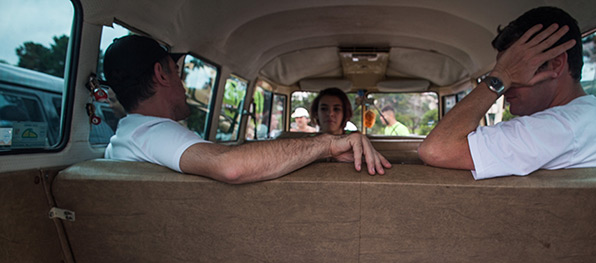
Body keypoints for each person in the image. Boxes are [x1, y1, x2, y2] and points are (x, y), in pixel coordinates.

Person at [103, 36, 390, 184]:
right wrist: (328, 144)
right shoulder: (153, 134)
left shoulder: (128, 136)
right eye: (177, 72)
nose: (183, 83)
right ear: (161, 75)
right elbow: (231, 167)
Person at [418, 7, 596, 180]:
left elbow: (437, 149)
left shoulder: (560, 128)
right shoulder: (593, 115)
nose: (505, 87)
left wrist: (501, 76)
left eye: (515, 71)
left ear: (555, 64)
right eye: (507, 74)